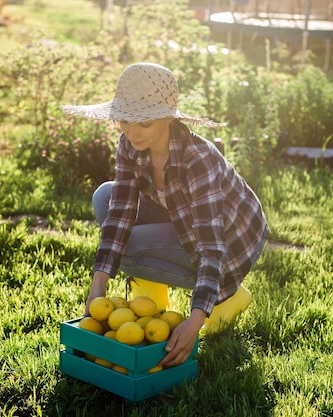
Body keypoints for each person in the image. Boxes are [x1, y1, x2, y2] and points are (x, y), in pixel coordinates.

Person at [61, 62, 269, 368]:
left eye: (143, 123)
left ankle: (228, 297)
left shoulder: (198, 159)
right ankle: (151, 295)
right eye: (124, 121)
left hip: (231, 242)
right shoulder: (131, 144)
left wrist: (195, 320)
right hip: (184, 220)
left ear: (168, 118)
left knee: (130, 246)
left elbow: (211, 247)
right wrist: (98, 289)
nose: (132, 132)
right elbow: (119, 213)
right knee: (105, 196)